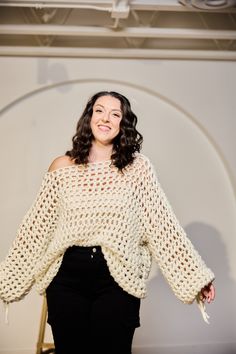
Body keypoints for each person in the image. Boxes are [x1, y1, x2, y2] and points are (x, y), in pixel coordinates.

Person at [0, 91, 215, 354]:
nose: (106, 118)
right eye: (99, 110)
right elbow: (35, 230)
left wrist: (195, 278)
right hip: (66, 279)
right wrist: (7, 278)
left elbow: (163, 226)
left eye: (115, 114)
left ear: (123, 124)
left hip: (118, 278)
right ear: (89, 117)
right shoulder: (61, 167)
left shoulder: (138, 169)